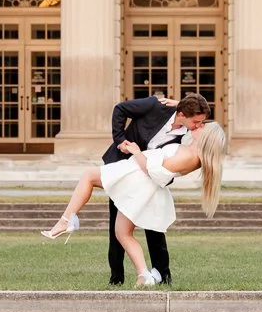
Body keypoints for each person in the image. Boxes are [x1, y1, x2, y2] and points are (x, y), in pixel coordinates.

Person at [40, 119, 226, 288]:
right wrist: (179, 105)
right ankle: (144, 275)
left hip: (138, 179)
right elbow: (185, 119)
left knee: (88, 176)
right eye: (199, 122)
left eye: (202, 126)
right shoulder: (190, 150)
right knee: (122, 232)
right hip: (137, 178)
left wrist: (136, 151)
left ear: (207, 138)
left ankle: (66, 220)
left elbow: (155, 171)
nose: (197, 125)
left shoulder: (190, 157)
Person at [109, 94, 211, 286]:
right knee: (116, 226)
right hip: (125, 168)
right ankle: (116, 278)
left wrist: (180, 103)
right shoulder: (155, 106)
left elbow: (213, 130)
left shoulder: (189, 132)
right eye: (196, 122)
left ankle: (163, 275)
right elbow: (120, 109)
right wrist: (120, 140)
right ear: (181, 114)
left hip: (152, 179)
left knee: (154, 227)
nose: (199, 126)